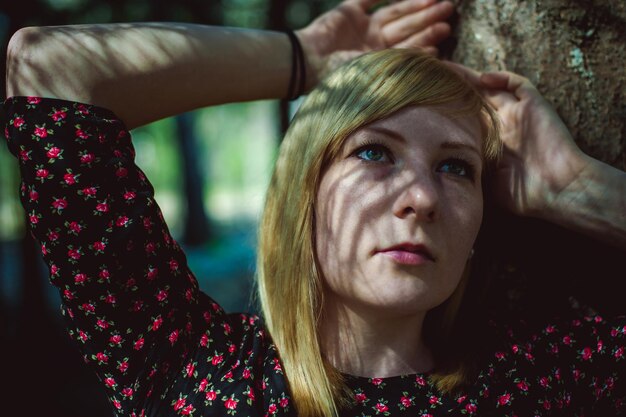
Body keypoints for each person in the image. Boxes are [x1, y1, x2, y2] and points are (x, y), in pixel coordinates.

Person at [2, 0, 625, 416]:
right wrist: (302, 58)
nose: (423, 197)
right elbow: (49, 67)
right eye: (375, 153)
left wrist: (580, 190)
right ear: (306, 193)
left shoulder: (543, 381)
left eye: (456, 166)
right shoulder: (191, 367)